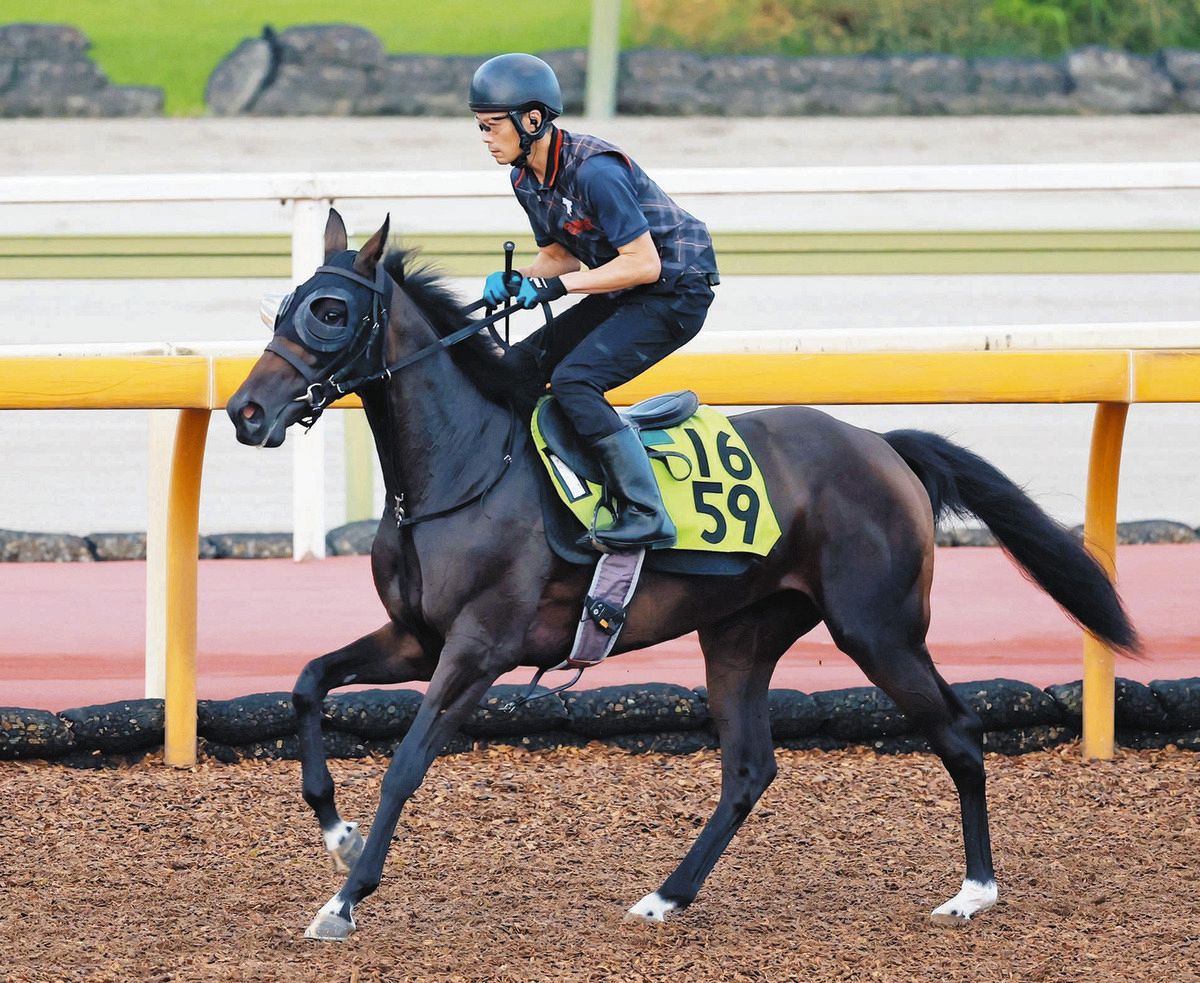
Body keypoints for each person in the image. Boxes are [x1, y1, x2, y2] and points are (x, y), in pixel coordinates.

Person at [470, 52, 720, 553]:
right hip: (626, 287)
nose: (485, 138)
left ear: (532, 120)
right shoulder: (524, 178)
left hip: (676, 290)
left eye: (494, 126)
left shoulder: (596, 172)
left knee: (574, 380)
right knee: (517, 365)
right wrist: (518, 278)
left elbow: (644, 264)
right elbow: (559, 256)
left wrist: (556, 289)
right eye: (480, 127)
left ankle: (646, 511)